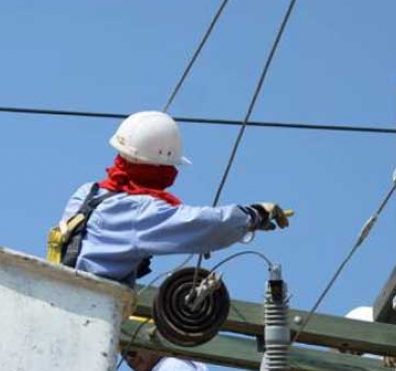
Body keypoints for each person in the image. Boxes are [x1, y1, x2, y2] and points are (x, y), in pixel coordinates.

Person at [49, 110, 289, 285]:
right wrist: (253, 214)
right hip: (90, 306)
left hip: (60, 293)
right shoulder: (139, 211)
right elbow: (201, 224)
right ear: (161, 168)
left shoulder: (87, 192)